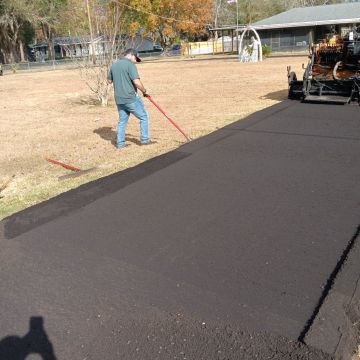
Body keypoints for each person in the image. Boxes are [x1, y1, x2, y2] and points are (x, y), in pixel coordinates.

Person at [107, 48, 153, 148]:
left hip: (119, 99)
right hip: (130, 98)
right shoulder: (130, 65)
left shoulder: (114, 65)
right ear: (132, 55)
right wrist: (144, 91)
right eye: (136, 58)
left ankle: (120, 144)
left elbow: (109, 81)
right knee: (143, 117)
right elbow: (136, 82)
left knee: (122, 121)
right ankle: (145, 140)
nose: (136, 61)